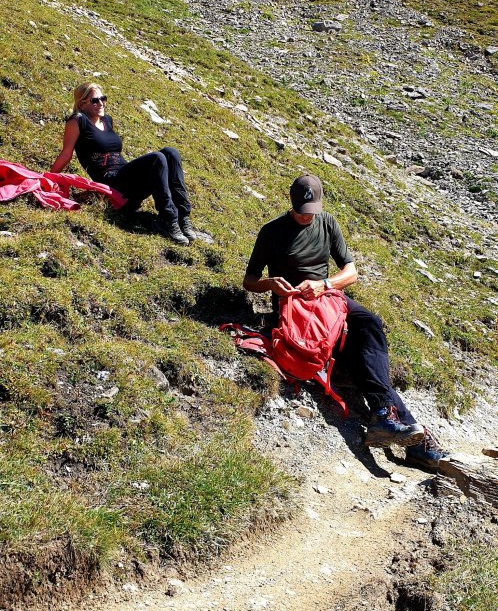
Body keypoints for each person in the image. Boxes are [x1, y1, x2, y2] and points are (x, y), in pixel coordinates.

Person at [243, 173, 449, 472]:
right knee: (359, 358)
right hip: (294, 306)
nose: (307, 217)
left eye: (312, 211)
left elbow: (350, 273)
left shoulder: (327, 222)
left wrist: (325, 284)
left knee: (369, 322)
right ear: (292, 203)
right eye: (302, 212)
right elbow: (249, 280)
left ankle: (386, 416)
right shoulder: (271, 231)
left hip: (327, 299)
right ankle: (413, 439)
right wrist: (270, 284)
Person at [50, 82, 196, 245]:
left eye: (103, 99)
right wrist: (49, 178)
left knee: (171, 153)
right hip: (111, 182)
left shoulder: (107, 120)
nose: (101, 103)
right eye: (94, 101)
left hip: (125, 177)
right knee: (157, 158)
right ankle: (168, 219)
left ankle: (183, 216)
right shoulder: (77, 121)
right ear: (82, 104)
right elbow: (66, 154)